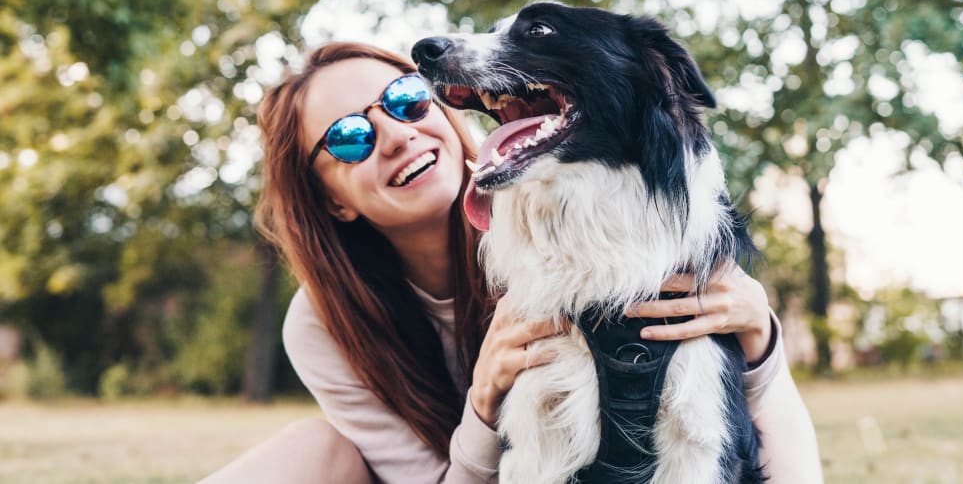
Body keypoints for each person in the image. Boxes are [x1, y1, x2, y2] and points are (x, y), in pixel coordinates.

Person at [200, 42, 823, 484]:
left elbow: (723, 414)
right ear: (330, 201)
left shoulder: (571, 212)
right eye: (349, 139)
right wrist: (484, 402)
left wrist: (760, 338)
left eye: (406, 99)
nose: (395, 134)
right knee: (312, 448)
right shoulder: (321, 324)